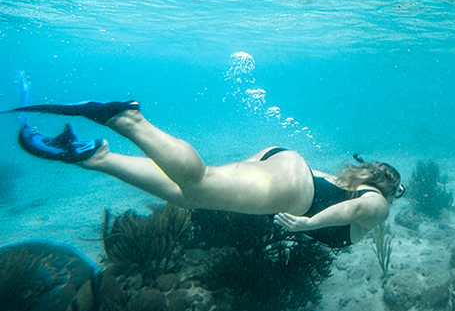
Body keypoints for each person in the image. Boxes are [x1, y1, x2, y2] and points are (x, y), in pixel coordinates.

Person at [9, 100, 404, 248]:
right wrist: (306, 225)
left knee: (187, 194)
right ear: (387, 190)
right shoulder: (377, 206)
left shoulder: (349, 183)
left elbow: (339, 195)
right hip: (294, 192)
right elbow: (352, 213)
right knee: (200, 185)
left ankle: (94, 158)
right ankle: (129, 121)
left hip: (287, 168)